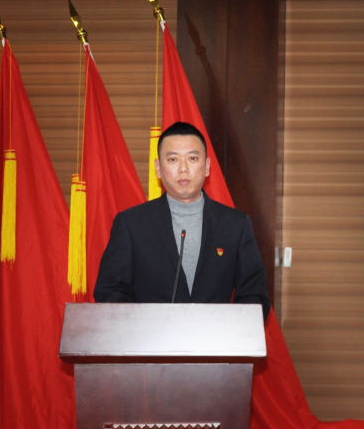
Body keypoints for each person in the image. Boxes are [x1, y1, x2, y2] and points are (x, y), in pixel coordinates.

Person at [93, 121, 270, 319]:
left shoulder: (235, 225)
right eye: (173, 159)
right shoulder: (131, 224)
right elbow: (109, 292)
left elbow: (254, 294)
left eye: (192, 158)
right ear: (158, 168)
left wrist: (228, 327)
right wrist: (142, 326)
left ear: (207, 167)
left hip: (214, 336)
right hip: (150, 336)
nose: (183, 168)